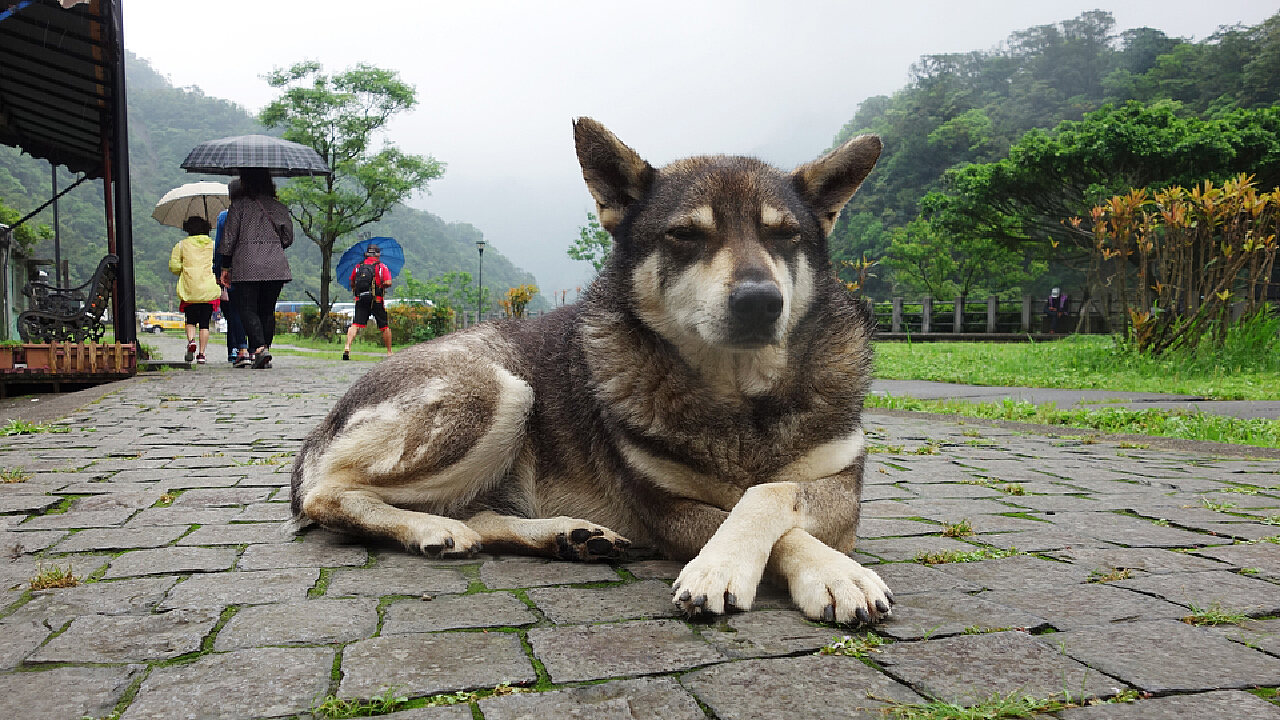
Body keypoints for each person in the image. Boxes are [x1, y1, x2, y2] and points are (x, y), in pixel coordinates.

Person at [217, 168, 293, 369]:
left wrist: (225, 267)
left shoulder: (238, 206)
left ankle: (259, 348)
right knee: (267, 310)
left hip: (247, 265)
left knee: (247, 308)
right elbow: (288, 238)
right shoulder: (279, 207)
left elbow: (229, 239)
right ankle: (264, 348)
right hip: (275, 266)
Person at [169, 215, 221, 364]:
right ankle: (202, 354)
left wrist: (184, 268)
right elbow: (218, 262)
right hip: (208, 289)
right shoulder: (212, 244)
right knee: (204, 323)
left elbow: (173, 266)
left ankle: (191, 341)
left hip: (190, 289)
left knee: (190, 321)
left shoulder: (181, 245)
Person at [214, 179, 250, 367]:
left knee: (235, 310)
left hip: (233, 269)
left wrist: (218, 270)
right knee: (252, 309)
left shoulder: (224, 216)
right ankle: (256, 348)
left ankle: (241, 349)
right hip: (254, 268)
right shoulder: (256, 216)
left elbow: (220, 246)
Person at [341, 244, 394, 360]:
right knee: (384, 326)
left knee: (355, 324)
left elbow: (352, 282)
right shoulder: (381, 267)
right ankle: (389, 352)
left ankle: (347, 347)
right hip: (377, 300)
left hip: (361, 299)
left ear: (367, 254)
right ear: (378, 255)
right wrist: (381, 286)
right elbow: (389, 282)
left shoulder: (358, 267)